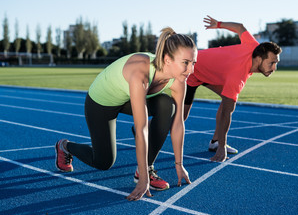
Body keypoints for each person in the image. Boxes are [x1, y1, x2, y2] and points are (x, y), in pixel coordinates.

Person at [55, 27, 197, 201]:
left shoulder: (179, 81)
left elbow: (177, 124)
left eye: (193, 63)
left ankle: (145, 168)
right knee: (103, 162)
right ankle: (65, 146)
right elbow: (142, 128)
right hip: (102, 101)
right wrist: (144, 181)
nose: (191, 70)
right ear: (167, 59)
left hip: (128, 99)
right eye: (185, 63)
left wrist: (179, 164)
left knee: (168, 107)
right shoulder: (140, 74)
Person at [184, 16, 282, 162]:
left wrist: (218, 24)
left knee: (227, 99)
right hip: (190, 70)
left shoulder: (254, 46)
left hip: (207, 73)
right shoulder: (238, 76)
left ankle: (215, 141)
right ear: (259, 59)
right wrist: (222, 149)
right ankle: (147, 129)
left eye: (276, 63)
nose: (274, 68)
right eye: (271, 63)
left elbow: (240, 27)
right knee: (180, 117)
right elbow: (226, 114)